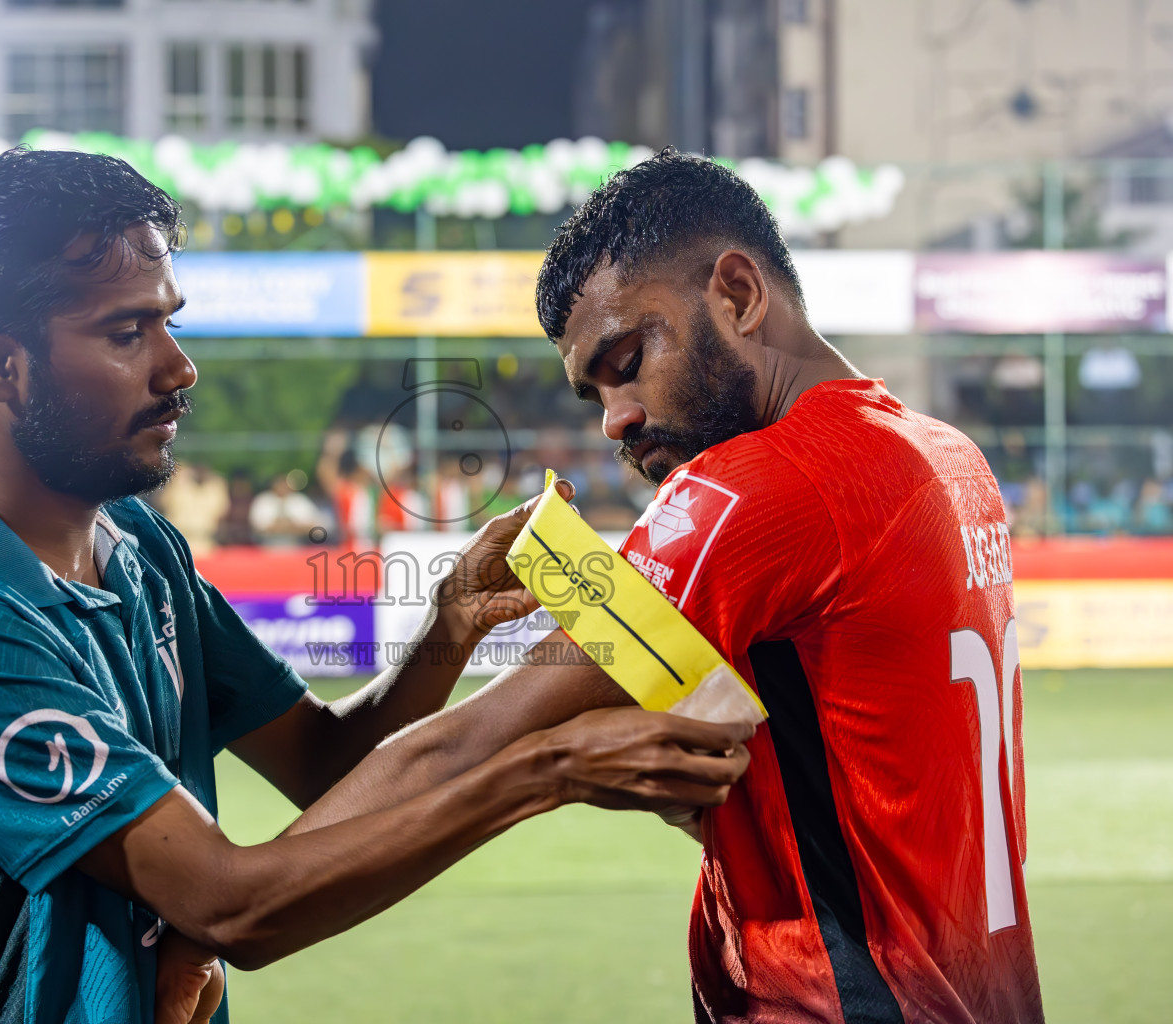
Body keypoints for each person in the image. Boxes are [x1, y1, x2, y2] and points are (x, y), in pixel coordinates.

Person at [0, 148, 754, 1024]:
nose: (176, 368)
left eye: (169, 321)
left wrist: (450, 625)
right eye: (125, 332)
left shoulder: (142, 549)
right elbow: (234, 906)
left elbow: (327, 766)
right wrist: (544, 769)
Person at [292, 151, 1044, 1024]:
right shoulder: (950, 457)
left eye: (628, 358)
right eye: (592, 393)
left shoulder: (749, 489)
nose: (614, 417)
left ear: (735, 292)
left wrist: (223, 917)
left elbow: (463, 750)